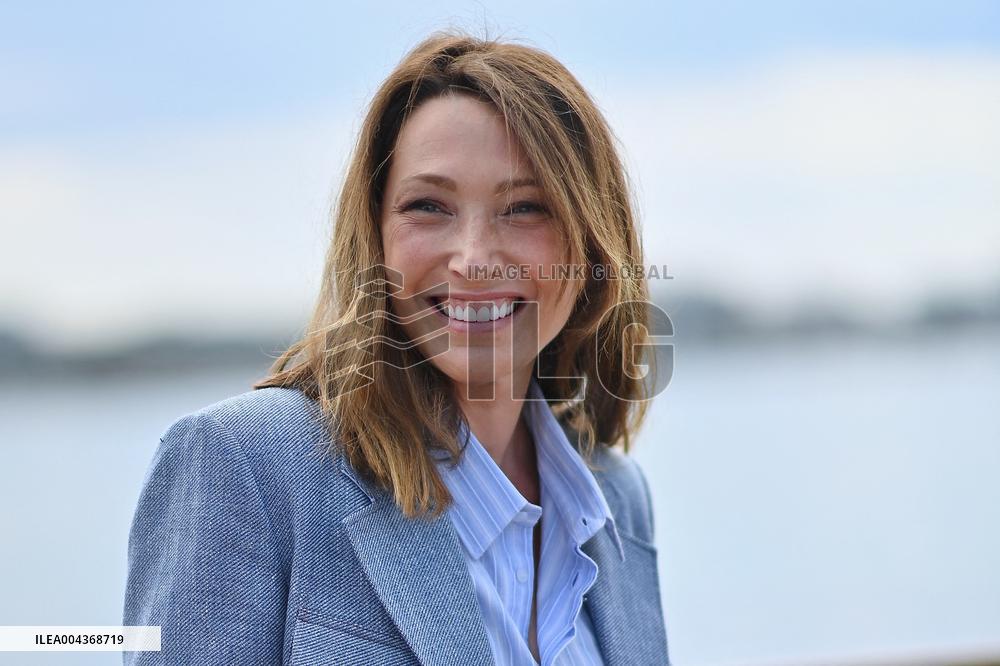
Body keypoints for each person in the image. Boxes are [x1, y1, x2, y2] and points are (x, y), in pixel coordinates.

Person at [123, 28, 671, 666]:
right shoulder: (245, 466)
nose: (473, 260)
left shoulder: (617, 501)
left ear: (593, 242)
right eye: (428, 206)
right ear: (375, 234)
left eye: (524, 208)